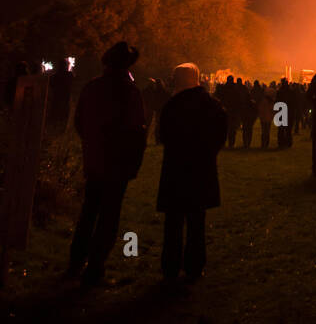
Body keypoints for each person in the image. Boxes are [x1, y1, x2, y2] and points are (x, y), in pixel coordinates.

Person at [68, 41, 147, 287]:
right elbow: (136, 129)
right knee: (109, 214)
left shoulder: (92, 87)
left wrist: (92, 144)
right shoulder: (129, 91)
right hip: (118, 162)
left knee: (89, 211)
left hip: (95, 159)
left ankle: (75, 261)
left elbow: (79, 122)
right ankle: (95, 266)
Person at [157, 62, 227, 283]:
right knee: (197, 222)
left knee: (173, 223)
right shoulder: (212, 105)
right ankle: (195, 266)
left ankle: (170, 267)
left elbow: (163, 135)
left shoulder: (171, 106)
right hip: (201, 169)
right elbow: (220, 135)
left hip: (176, 170)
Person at [275, 77, 293, 148]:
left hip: (281, 112)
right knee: (288, 129)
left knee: (281, 129)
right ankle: (288, 142)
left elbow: (277, 102)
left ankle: (281, 143)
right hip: (289, 112)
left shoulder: (280, 91)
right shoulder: (291, 92)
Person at [258, 83, 275, 148]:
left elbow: (260, 109)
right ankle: (266, 143)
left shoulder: (263, 101)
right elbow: (273, 110)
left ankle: (263, 144)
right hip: (268, 118)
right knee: (267, 131)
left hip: (263, 118)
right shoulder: (271, 102)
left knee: (263, 131)